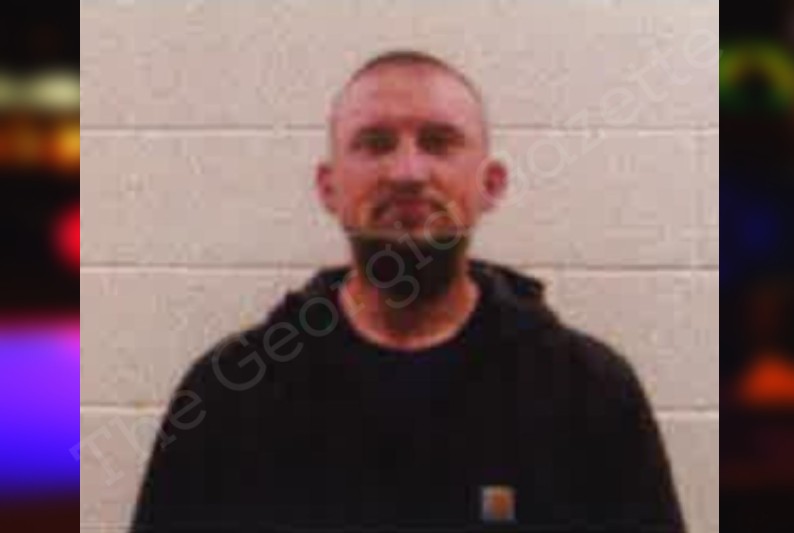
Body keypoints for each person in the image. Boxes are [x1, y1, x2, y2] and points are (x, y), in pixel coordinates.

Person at [130, 50, 685, 532]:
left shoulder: (588, 393)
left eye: (439, 143)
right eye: (375, 144)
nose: (408, 172)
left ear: (490, 185)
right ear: (329, 188)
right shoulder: (229, 394)